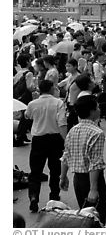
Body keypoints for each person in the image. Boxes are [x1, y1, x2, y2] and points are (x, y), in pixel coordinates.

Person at [59, 95, 106, 225]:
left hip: (78, 181)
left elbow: (66, 155)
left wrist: (62, 177)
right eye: (97, 107)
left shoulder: (72, 130)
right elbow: (95, 163)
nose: (99, 109)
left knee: (85, 217)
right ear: (92, 111)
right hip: (91, 180)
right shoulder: (97, 133)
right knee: (98, 219)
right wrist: (93, 189)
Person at [24, 80, 67, 212]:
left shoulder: (32, 103)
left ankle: (33, 197)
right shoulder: (58, 103)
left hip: (38, 139)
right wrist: (66, 141)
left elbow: (27, 116)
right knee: (55, 170)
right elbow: (62, 123)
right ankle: (53, 196)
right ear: (51, 89)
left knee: (35, 170)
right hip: (55, 139)